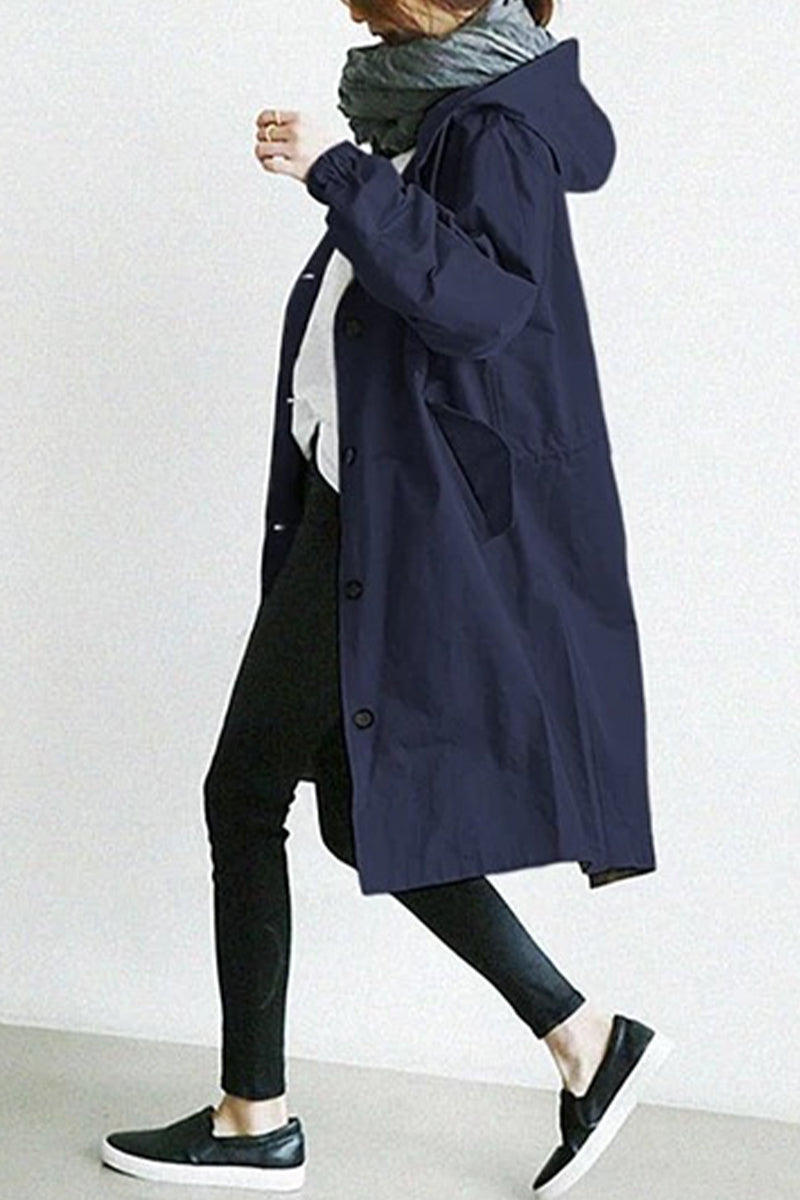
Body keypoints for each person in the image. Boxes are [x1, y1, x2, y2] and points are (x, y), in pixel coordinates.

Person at [100, 1, 673, 1196]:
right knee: (360, 812)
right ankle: (583, 1039)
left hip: (392, 512)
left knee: (245, 790)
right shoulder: (436, 110)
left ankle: (253, 1119)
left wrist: (338, 173)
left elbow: (481, 304)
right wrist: (351, 173)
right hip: (354, 492)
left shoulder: (494, 127)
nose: (351, 8)